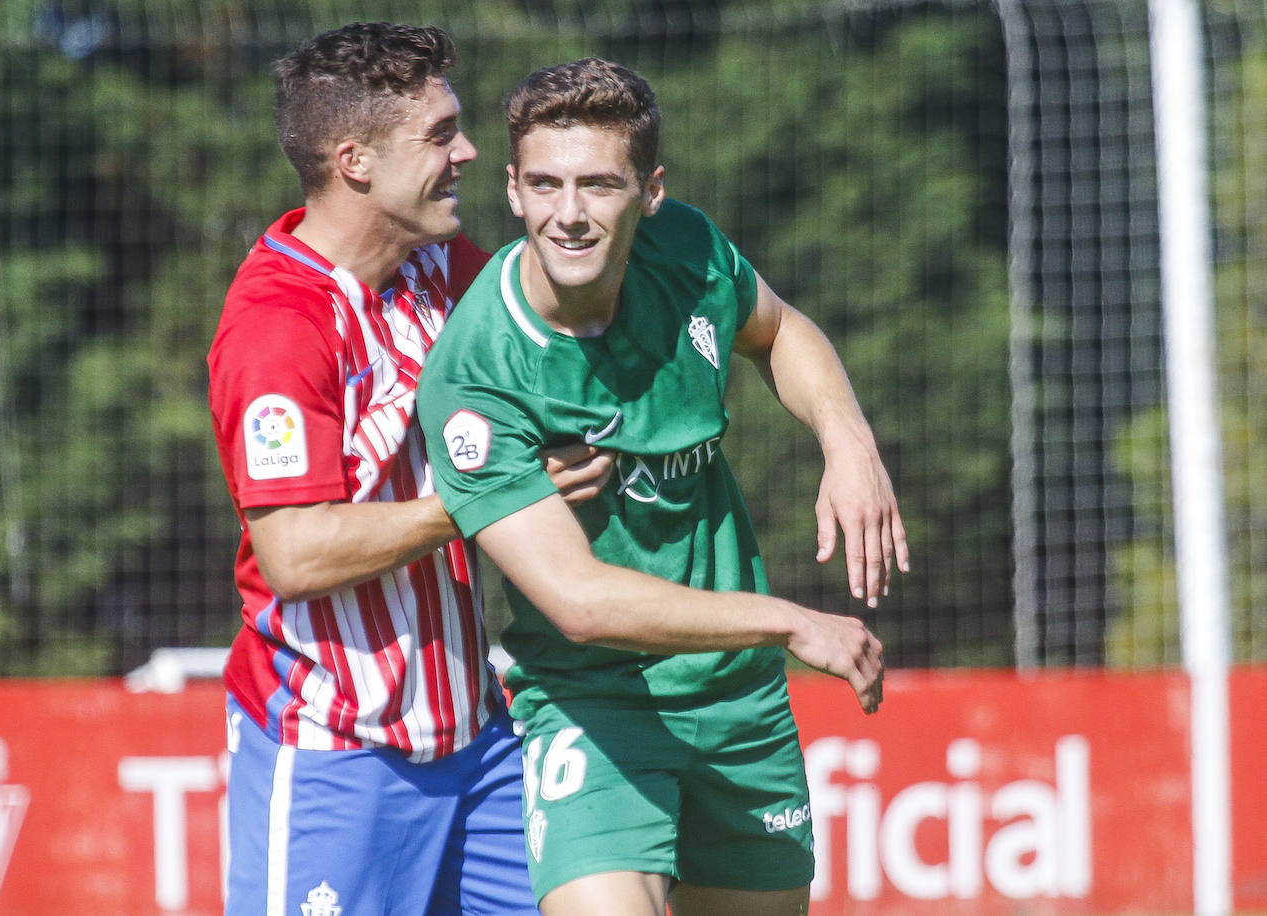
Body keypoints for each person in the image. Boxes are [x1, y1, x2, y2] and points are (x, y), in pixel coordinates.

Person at [418, 58, 909, 915]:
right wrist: (790, 620)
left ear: (648, 192)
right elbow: (581, 602)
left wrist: (848, 439)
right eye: (545, 184)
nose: (569, 214)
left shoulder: (684, 247)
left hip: (737, 702)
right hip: (592, 701)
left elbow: (779, 328)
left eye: (599, 185)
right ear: (512, 188)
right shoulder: (477, 369)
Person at [206, 24, 610, 916]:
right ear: (354, 161)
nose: (466, 151)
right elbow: (297, 554)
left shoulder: (441, 269)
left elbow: (569, 336)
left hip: (480, 744)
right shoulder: (278, 327)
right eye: (440, 134)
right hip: (335, 757)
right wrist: (490, 494)